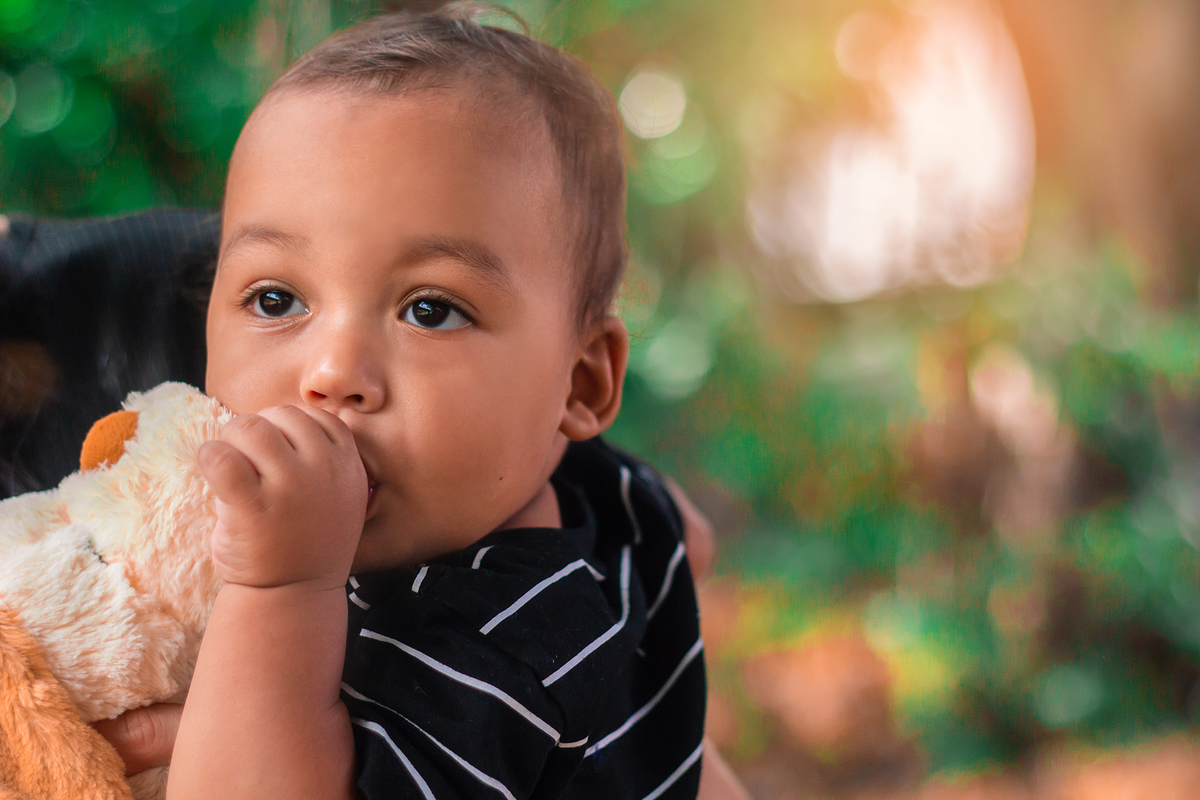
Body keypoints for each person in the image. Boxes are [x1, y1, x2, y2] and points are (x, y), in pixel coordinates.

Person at [33, 5, 752, 799]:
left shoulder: (499, 650)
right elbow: (689, 537)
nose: (333, 373)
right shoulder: (589, 487)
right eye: (275, 299)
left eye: (430, 310)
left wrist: (281, 593)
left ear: (579, 385)